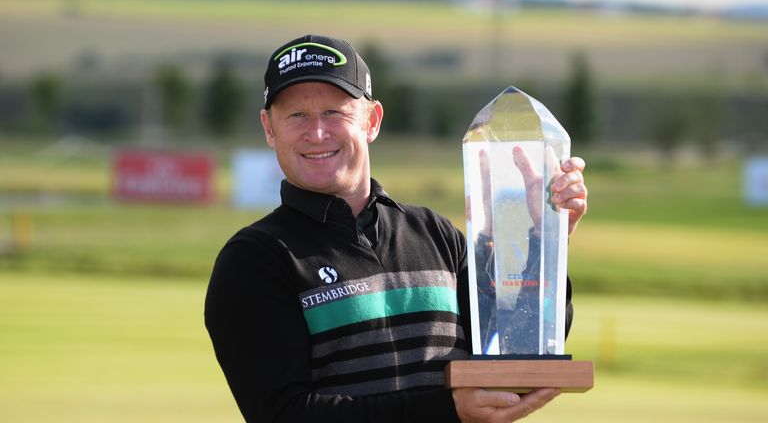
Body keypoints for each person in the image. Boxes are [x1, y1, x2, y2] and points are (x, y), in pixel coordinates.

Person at [205, 34, 588, 423]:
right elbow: (283, 415)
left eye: (334, 112)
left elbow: (513, 357)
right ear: (269, 128)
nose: (317, 133)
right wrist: (448, 411)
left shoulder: (436, 235)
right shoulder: (253, 260)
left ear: (371, 121)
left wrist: (548, 239)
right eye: (297, 115)